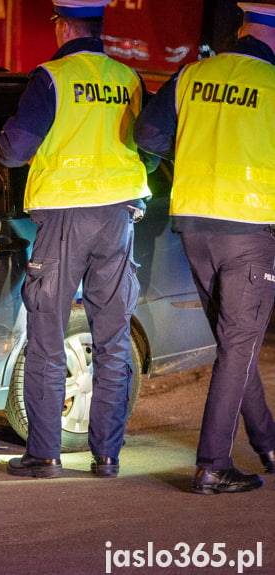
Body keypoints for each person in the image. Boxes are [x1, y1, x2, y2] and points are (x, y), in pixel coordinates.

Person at [0, 0, 152, 479]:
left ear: (63, 26)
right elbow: (150, 143)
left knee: (46, 340)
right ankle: (107, 456)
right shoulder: (128, 78)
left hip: (65, 217)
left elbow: (14, 149)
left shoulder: (52, 77)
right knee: (112, 340)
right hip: (119, 217)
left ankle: (44, 455)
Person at [135, 2, 275, 495]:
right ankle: (213, 464)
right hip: (250, 228)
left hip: (193, 223)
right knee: (238, 344)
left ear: (242, 30)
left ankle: (268, 442)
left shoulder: (193, 75)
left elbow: (148, 134)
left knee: (234, 340)